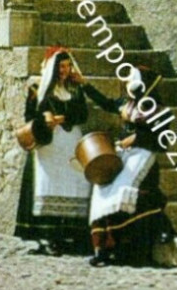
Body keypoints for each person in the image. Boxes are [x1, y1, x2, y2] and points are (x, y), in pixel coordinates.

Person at [14, 47, 118, 255]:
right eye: (60, 66)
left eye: (67, 65)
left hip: (71, 142)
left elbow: (83, 114)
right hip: (50, 146)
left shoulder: (75, 89)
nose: (64, 70)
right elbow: (30, 117)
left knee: (74, 183)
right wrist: (45, 121)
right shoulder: (38, 89)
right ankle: (46, 236)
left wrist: (66, 117)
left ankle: (70, 236)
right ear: (52, 68)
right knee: (48, 184)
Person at [87, 65, 174, 267]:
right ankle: (102, 247)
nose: (129, 86)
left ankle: (128, 244)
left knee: (121, 191)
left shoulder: (159, 111)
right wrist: (85, 86)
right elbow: (107, 103)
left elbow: (162, 142)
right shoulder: (127, 105)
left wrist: (135, 138)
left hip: (143, 156)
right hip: (124, 154)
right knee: (102, 188)